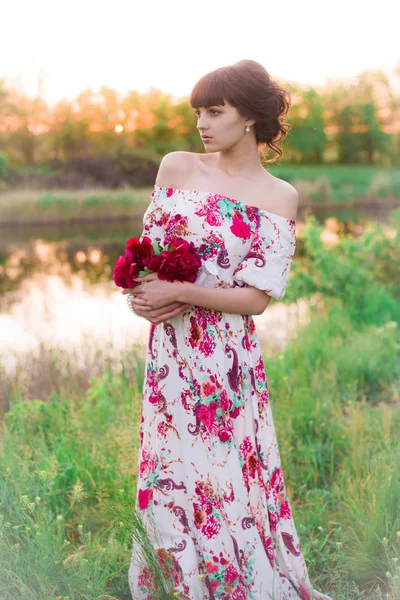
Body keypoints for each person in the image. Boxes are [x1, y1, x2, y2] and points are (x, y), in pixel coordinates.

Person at [123, 59, 333, 600]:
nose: (202, 123)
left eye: (215, 111)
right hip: (171, 349)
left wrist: (182, 293)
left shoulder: (279, 197)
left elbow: (256, 299)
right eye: (198, 112)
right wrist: (143, 297)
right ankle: (179, 581)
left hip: (227, 355)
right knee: (173, 465)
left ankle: (236, 580)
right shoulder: (177, 167)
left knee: (226, 468)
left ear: (250, 118)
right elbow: (148, 257)